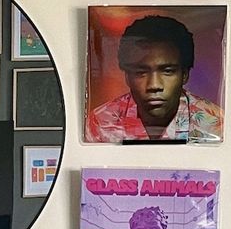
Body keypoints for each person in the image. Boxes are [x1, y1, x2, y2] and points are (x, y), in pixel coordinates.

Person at [85, 15, 223, 143]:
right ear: (127, 76)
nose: (154, 85)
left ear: (185, 75)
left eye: (167, 71)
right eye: (141, 72)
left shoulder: (216, 123)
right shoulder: (100, 123)